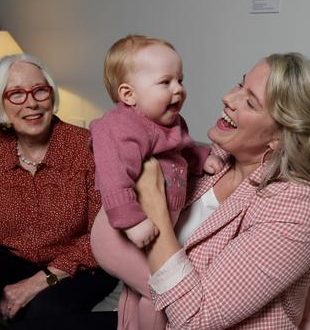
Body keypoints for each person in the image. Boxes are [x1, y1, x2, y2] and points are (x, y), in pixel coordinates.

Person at [103, 52, 310, 329]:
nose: (228, 98)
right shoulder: (213, 160)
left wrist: (154, 205)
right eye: (240, 84)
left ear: (281, 138)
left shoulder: (298, 206)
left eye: (250, 102)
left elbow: (196, 320)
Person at [0, 54, 117, 330]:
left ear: (51, 95)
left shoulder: (87, 148)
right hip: (14, 257)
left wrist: (39, 282)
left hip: (80, 267)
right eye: (16, 94)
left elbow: (102, 237)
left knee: (43, 311)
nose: (32, 103)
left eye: (39, 90)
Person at [89, 35, 223, 329]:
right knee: (159, 290)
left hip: (151, 232)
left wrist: (201, 158)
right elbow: (112, 177)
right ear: (129, 95)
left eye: (180, 80)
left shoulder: (170, 121)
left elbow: (181, 149)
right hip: (118, 234)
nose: (179, 89)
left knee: (138, 293)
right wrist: (131, 221)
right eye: (166, 82)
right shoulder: (119, 127)